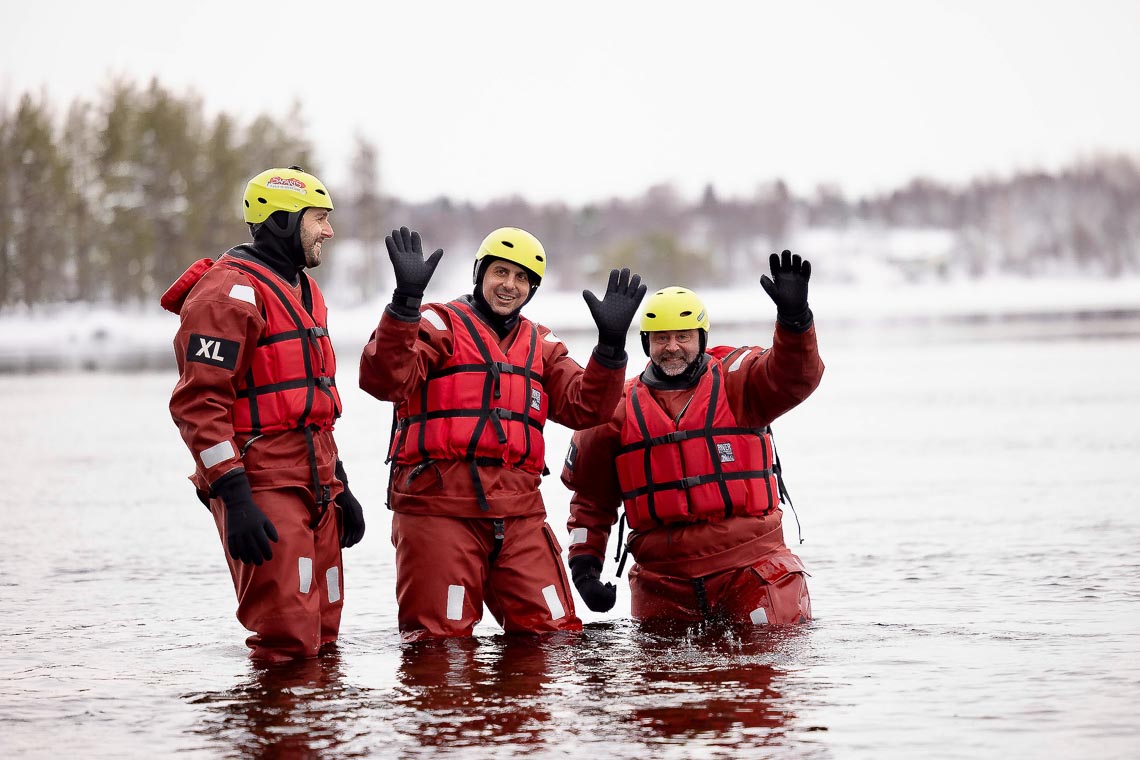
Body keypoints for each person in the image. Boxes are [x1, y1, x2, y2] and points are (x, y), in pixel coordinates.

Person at [359, 225, 646, 641]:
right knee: (440, 645)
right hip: (440, 505)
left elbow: (587, 407)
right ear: (480, 273)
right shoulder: (437, 324)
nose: (509, 285)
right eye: (500, 272)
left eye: (521, 278)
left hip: (517, 510)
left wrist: (610, 347)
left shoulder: (542, 343)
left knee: (554, 637)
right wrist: (404, 304)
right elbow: (384, 379)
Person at [162, 166, 366, 662]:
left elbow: (313, 407)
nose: (329, 231)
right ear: (281, 221)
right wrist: (235, 497)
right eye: (319, 218)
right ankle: (277, 738)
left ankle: (318, 735)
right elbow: (199, 404)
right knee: (288, 641)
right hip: (262, 487)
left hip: (316, 487)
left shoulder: (304, 291)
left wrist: (341, 484)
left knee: (325, 634)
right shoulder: (225, 295)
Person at [561, 250, 824, 629]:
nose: (672, 347)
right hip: (663, 580)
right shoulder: (614, 409)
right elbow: (591, 499)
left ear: (701, 338)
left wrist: (795, 321)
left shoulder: (740, 382)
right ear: (646, 343)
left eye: (683, 337)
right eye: (662, 338)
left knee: (766, 667)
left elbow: (794, 376)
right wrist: (585, 569)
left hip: (750, 567)